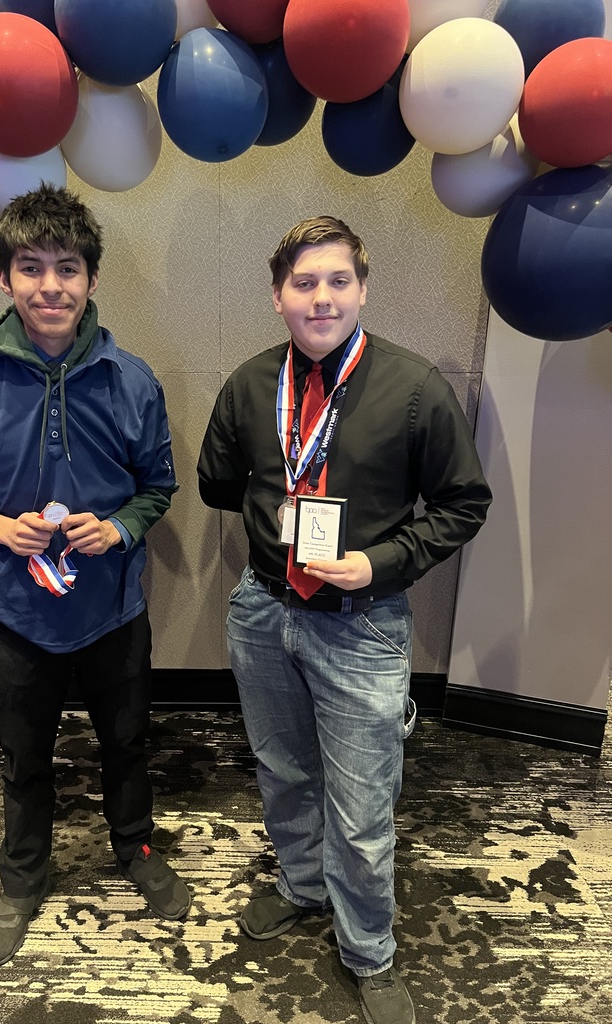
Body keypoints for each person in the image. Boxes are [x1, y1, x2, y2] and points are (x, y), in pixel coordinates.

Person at [197, 216, 492, 1024]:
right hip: (264, 610)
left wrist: (379, 562)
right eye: (303, 283)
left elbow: (465, 503)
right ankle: (299, 884)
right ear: (277, 296)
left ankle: (369, 950)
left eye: (337, 281)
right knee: (284, 770)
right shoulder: (253, 384)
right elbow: (217, 483)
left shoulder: (414, 388)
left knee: (362, 809)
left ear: (362, 289)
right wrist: (275, 504)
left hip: (360, 624)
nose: (320, 297)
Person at [0, 183, 190, 968]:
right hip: (14, 614)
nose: (50, 286)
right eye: (30, 267)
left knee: (127, 744)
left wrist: (120, 527)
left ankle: (134, 849)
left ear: (92, 280)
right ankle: (23, 877)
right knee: (23, 757)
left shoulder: (131, 379)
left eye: (67, 268)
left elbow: (158, 489)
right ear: (5, 279)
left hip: (111, 612)